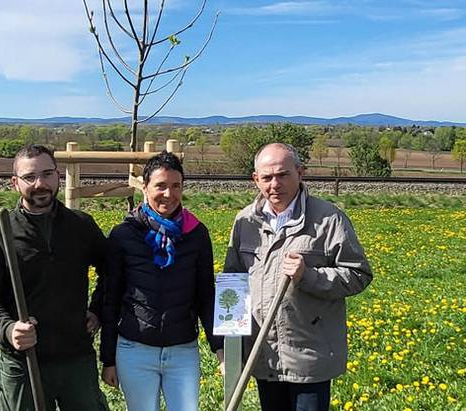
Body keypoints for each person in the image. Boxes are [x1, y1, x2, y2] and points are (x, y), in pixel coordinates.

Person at [223, 143, 372, 411]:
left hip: (309, 356)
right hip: (263, 354)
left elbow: (358, 274)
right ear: (255, 179)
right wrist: (229, 348)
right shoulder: (245, 221)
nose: (274, 184)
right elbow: (233, 281)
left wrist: (309, 276)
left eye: (283, 175)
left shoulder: (328, 219)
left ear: (300, 172)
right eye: (266, 178)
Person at [0, 144, 109, 411]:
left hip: (75, 356)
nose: (40, 184)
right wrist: (8, 329)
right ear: (14, 183)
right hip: (22, 361)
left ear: (58, 176)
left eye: (47, 174)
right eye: (29, 177)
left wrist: (97, 309)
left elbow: (111, 272)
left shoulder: (81, 226)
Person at [100, 151, 224, 411]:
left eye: (176, 186)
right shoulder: (124, 235)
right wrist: (108, 358)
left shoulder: (197, 234)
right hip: (135, 350)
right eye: (160, 186)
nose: (169, 194)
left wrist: (219, 348)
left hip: (183, 350)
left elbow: (206, 295)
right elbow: (110, 298)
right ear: (145, 188)